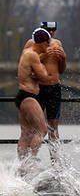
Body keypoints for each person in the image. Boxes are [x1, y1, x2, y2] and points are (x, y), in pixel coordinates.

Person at [24, 22, 66, 163]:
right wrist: (43, 55)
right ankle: (29, 160)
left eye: (53, 30)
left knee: (53, 126)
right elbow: (25, 66)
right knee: (35, 127)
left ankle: (56, 162)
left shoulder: (57, 43)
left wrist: (63, 57)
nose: (51, 33)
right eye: (48, 30)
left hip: (53, 87)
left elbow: (61, 70)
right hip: (38, 88)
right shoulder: (32, 43)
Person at [16, 28, 53, 163]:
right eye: (48, 44)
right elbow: (44, 77)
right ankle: (31, 160)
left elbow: (35, 74)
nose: (48, 47)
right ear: (43, 43)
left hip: (23, 96)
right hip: (29, 96)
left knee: (26, 132)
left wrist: (36, 74)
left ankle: (22, 165)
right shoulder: (33, 55)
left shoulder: (27, 52)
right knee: (42, 130)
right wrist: (44, 71)